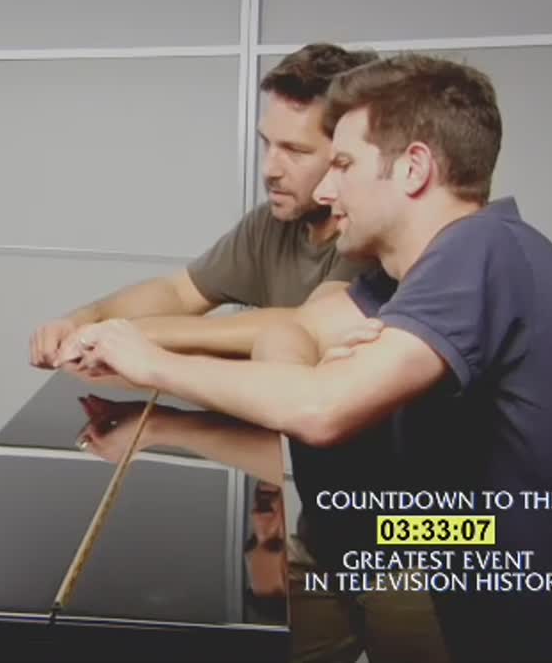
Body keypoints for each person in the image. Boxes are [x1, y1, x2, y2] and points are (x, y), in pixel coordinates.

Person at [67, 54, 552, 662]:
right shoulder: (400, 281)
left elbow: (321, 411)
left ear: (413, 168)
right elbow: (294, 330)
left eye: (343, 163)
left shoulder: (481, 249)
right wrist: (312, 374)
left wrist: (155, 364)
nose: (327, 186)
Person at [43, 43, 451, 663]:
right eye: (267, 144)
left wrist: (138, 347)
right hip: (327, 518)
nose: (270, 168)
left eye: (298, 151)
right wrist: (87, 317)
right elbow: (181, 292)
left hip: (418, 536)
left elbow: (299, 333)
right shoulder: (272, 227)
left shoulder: (379, 240)